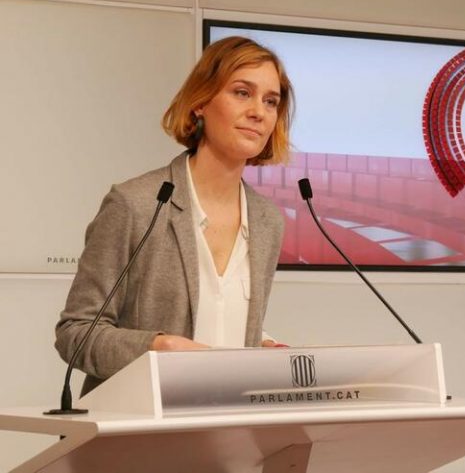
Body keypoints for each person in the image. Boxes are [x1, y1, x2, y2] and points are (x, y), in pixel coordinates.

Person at [55, 36, 293, 395]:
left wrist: (260, 346)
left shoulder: (267, 220)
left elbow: (216, 321)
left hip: (229, 422)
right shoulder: (135, 204)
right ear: (200, 103)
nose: (259, 112)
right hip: (139, 423)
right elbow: (76, 333)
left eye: (271, 101)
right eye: (242, 93)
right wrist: (156, 348)